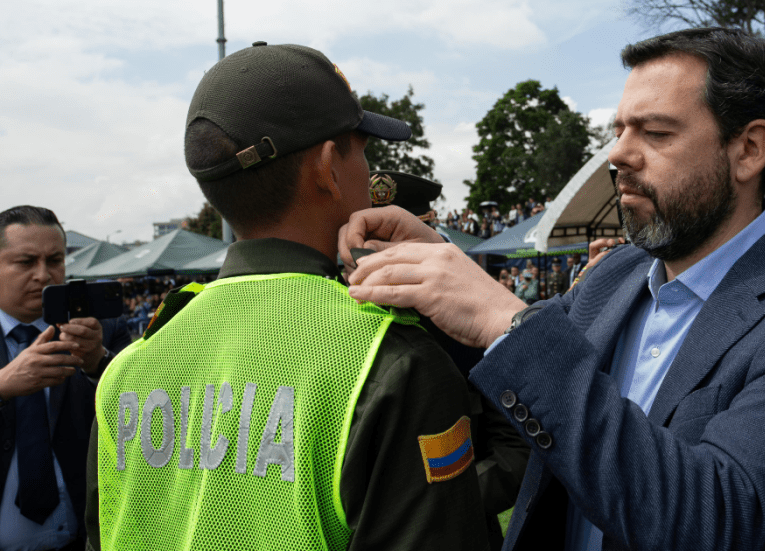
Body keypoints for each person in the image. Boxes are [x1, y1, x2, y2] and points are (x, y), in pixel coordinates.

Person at [340, 27, 765, 550]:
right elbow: (515, 369)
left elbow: (714, 518)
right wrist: (437, 268)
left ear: (749, 149)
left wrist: (505, 319)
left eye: (656, 133)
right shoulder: (617, 274)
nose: (617, 155)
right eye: (619, 130)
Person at [87, 42, 502, 551]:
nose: (369, 171)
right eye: (363, 150)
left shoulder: (129, 368)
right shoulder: (391, 362)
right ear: (329, 166)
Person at [0, 205, 130, 551]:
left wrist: (97, 363)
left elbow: (142, 415)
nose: (44, 275)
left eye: (55, 260)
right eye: (26, 262)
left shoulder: (102, 330)